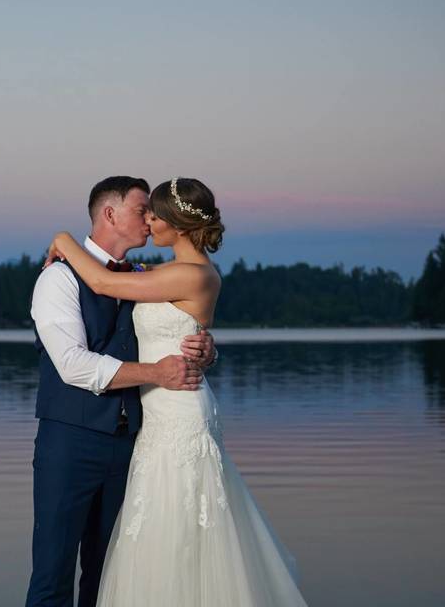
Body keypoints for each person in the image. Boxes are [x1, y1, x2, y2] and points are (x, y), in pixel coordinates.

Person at [46, 178, 308, 606]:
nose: (148, 220)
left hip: (181, 414)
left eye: (154, 213)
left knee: (182, 529)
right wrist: (207, 347)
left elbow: (102, 284)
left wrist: (62, 240)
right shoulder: (165, 272)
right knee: (158, 529)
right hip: (158, 416)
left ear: (178, 224)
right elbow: (134, 291)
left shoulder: (193, 275)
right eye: (144, 211)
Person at [25, 176, 217, 607]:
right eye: (140, 209)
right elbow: (74, 366)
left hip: (136, 445)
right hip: (70, 445)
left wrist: (205, 346)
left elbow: (178, 327)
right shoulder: (58, 279)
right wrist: (156, 373)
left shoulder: (143, 279)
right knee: (53, 576)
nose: (150, 219)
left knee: (112, 575)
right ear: (110, 214)